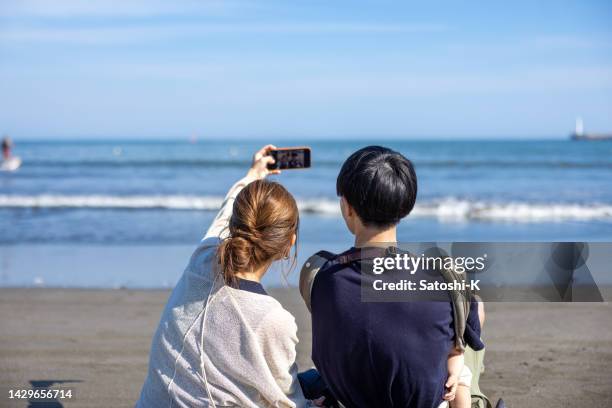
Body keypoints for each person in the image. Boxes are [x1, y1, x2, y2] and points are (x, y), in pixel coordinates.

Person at [299, 146, 485, 408]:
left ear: (347, 207)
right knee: (467, 322)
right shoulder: (443, 276)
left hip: (348, 397)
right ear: (405, 206)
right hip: (428, 400)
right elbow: (471, 326)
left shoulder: (318, 275)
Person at [137, 145, 311, 407]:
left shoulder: (202, 258)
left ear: (234, 227)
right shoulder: (274, 320)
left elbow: (226, 211)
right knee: (321, 384)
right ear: (289, 245)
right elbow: (286, 402)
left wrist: (253, 173)